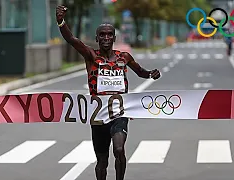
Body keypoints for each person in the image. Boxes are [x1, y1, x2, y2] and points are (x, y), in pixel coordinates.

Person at [56, 5, 161, 180]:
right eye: (102, 35)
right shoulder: (91, 55)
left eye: (109, 34)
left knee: (119, 150)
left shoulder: (124, 57)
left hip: (119, 112)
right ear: (97, 38)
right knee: (102, 161)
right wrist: (61, 22)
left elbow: (140, 71)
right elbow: (72, 40)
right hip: (98, 115)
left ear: (114, 37)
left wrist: (151, 74)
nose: (106, 37)